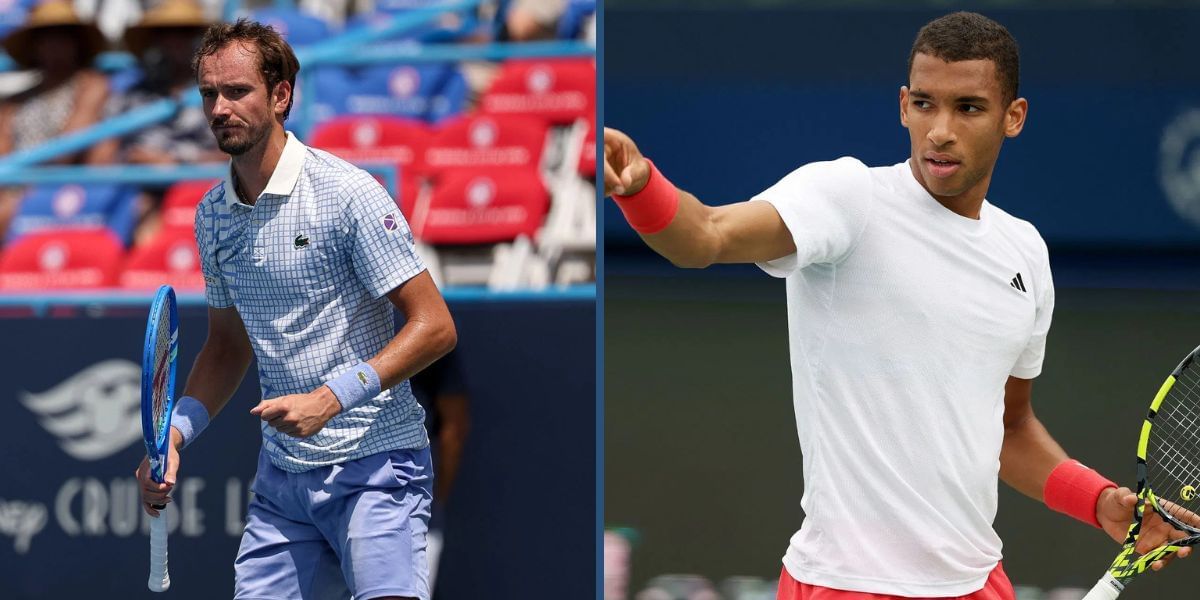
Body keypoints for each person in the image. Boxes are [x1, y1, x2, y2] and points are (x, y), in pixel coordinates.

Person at [604, 12, 1191, 600]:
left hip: (978, 583)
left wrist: (1097, 500)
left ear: (1013, 117)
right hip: (845, 585)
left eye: (968, 108)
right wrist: (639, 186)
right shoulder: (848, 199)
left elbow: (1008, 430)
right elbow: (706, 234)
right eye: (926, 104)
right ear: (903, 105)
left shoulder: (1025, 253)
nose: (940, 130)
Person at [134, 19, 456, 600]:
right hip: (283, 484)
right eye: (210, 93)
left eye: (237, 92)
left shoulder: (348, 193)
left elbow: (435, 326)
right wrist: (176, 436)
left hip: (378, 467)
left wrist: (331, 399)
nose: (219, 109)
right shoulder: (210, 216)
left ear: (281, 96)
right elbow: (227, 348)